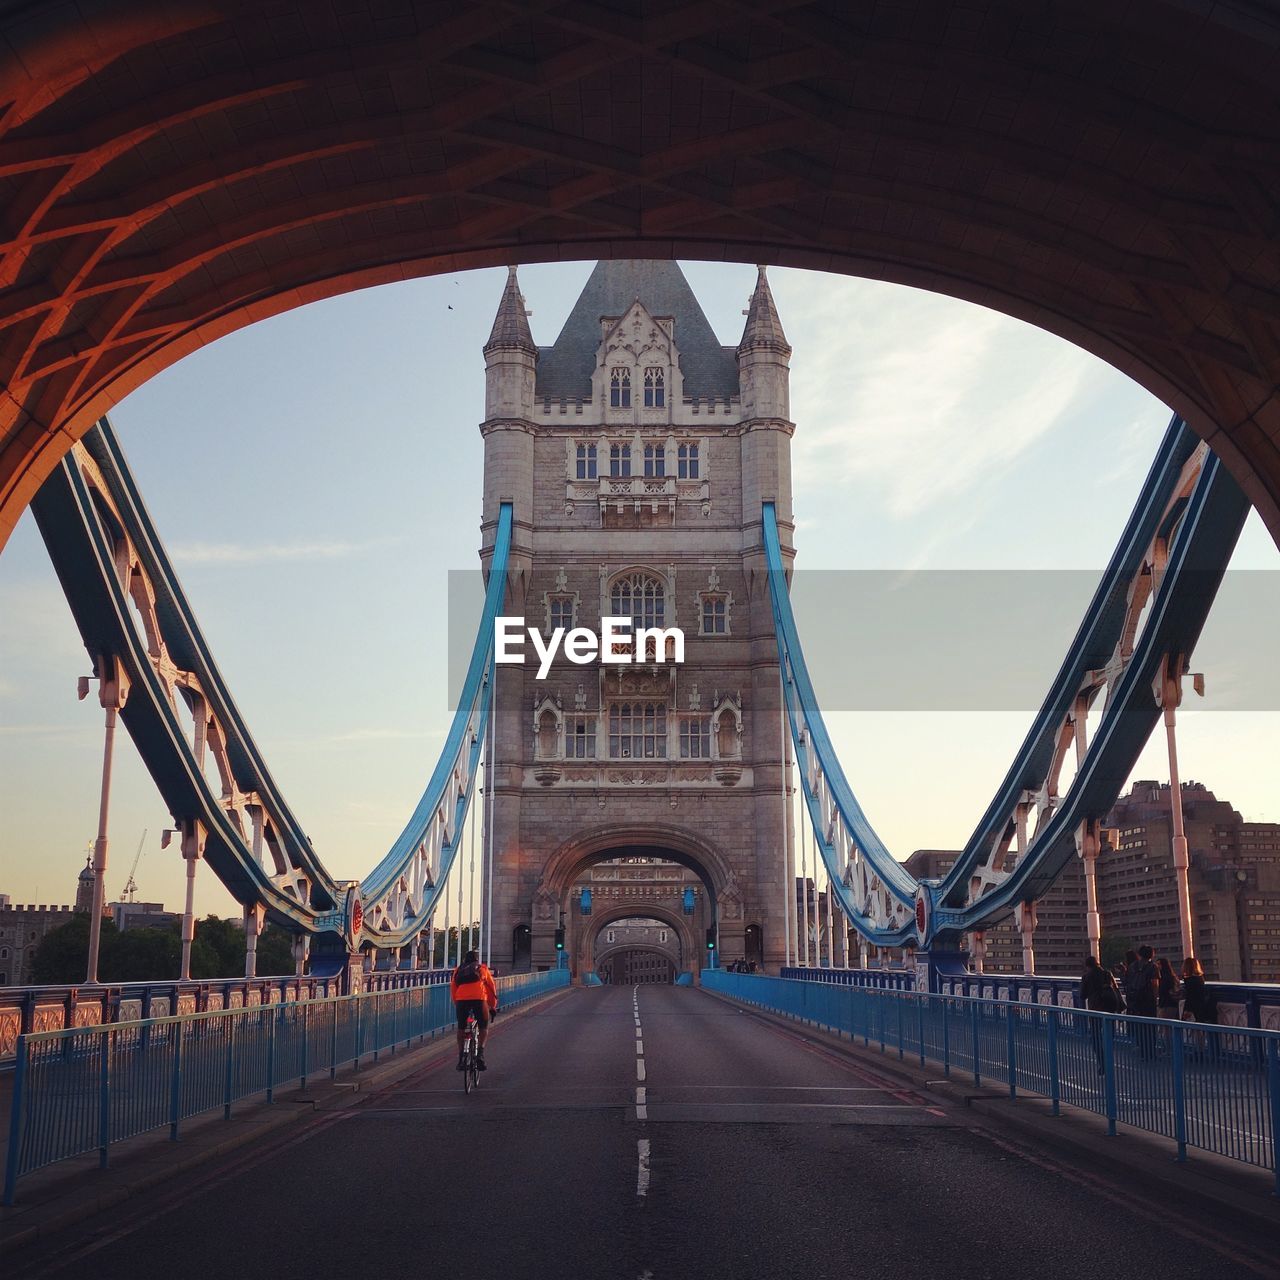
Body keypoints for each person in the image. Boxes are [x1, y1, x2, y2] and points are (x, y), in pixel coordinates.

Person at [451, 949, 498, 1072]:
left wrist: (457, 1003)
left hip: (461, 1001)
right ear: (477, 959)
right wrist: (492, 1006)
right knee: (483, 1027)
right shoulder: (482, 968)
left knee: (461, 1028)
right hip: (479, 1000)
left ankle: (461, 1057)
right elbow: (491, 989)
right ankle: (480, 1055)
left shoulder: (458, 970)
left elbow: (453, 988)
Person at [1080, 955, 1123, 1073]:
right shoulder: (1108, 974)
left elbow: (1082, 995)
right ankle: (1109, 1060)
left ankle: (1102, 1063)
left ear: (1088, 966)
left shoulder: (1087, 977)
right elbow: (1116, 989)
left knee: (1096, 1038)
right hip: (1110, 1008)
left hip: (1095, 1010)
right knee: (1109, 1036)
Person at [1122, 944, 1159, 1058]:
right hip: (1148, 1000)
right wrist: (1156, 997)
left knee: (1139, 1026)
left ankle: (1141, 1050)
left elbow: (1127, 980)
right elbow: (1154, 984)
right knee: (1150, 1027)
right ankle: (1150, 1051)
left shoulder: (1133, 966)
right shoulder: (1153, 966)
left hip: (1134, 1000)